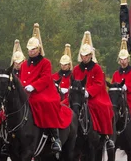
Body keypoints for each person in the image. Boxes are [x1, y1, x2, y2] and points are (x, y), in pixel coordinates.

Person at [19, 23, 72, 153]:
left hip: (43, 91)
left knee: (46, 103)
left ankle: (55, 137)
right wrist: (23, 87)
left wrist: (34, 86)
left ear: (38, 49)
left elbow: (45, 78)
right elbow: (22, 79)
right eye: (29, 49)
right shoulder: (24, 65)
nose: (31, 52)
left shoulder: (45, 63)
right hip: (27, 92)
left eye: (33, 49)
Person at [72, 31, 115, 150]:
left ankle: (106, 135)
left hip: (94, 96)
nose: (84, 58)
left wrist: (88, 91)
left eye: (86, 55)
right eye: (82, 55)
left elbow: (99, 83)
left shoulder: (97, 68)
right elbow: (73, 81)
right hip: (78, 96)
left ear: (91, 55)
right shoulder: (76, 69)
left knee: (103, 108)